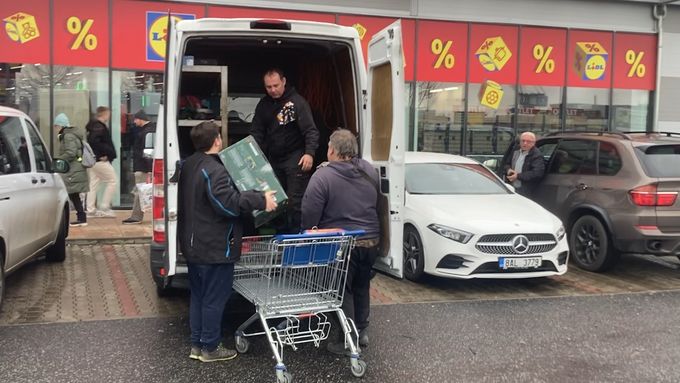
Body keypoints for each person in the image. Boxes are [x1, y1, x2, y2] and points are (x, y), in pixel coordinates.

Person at [178, 121, 277, 363]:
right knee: (214, 299)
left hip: (193, 245)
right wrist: (260, 199)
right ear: (217, 141)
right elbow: (227, 204)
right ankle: (210, 348)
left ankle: (197, 345)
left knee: (199, 297)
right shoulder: (214, 170)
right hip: (213, 248)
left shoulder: (189, 164)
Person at [301, 129, 380, 354]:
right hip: (371, 240)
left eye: (327, 147)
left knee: (342, 290)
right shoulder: (369, 170)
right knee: (361, 285)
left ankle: (347, 340)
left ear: (332, 150)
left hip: (343, 244)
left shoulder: (323, 176)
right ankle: (361, 331)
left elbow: (309, 212)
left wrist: (307, 235)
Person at [251, 68, 319, 233]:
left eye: (276, 85)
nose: (273, 90)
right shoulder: (263, 105)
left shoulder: (297, 103)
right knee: (276, 201)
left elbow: (311, 131)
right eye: (269, 87)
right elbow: (256, 133)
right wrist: (251, 155)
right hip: (273, 159)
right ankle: (279, 238)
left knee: (295, 202)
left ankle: (296, 239)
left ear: (284, 82)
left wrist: (309, 153)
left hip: (296, 158)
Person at [54, 113, 89, 227]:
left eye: (56, 126)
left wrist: (59, 159)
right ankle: (81, 217)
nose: (55, 128)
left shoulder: (68, 136)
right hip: (74, 168)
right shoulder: (69, 135)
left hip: (73, 169)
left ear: (61, 125)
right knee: (73, 194)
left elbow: (71, 152)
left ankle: (79, 218)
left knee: (70, 194)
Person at [123, 109, 156, 224]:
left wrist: (149, 169)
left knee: (139, 192)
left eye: (135, 119)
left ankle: (136, 216)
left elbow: (147, 152)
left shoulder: (147, 132)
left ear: (140, 119)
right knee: (140, 191)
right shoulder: (148, 130)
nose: (134, 122)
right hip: (143, 167)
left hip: (143, 168)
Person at [85, 106, 118, 217]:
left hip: (93, 160)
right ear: (103, 114)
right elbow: (96, 142)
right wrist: (105, 154)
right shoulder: (99, 127)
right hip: (100, 160)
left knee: (93, 184)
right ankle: (104, 207)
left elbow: (93, 142)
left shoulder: (93, 127)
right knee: (112, 180)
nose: (109, 116)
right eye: (108, 114)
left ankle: (90, 210)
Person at [503, 131, 545, 199]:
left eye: (528, 141)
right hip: (511, 187)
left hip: (526, 190)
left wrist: (517, 176)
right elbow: (506, 164)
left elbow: (537, 173)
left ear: (533, 143)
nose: (525, 143)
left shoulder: (536, 155)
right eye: (523, 141)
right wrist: (508, 170)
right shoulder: (515, 151)